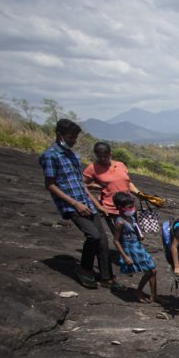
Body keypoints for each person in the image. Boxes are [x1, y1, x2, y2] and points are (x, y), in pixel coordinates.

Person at [40, 119, 113, 288]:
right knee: (93, 236)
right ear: (59, 135)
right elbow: (50, 185)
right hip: (70, 204)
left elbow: (79, 182)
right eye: (71, 137)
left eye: (75, 138)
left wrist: (95, 203)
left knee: (102, 240)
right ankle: (85, 269)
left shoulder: (72, 154)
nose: (74, 141)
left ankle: (106, 277)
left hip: (86, 201)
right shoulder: (50, 155)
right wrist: (75, 204)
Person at [111, 192, 157, 303]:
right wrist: (125, 256)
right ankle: (141, 292)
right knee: (151, 270)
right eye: (129, 207)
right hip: (130, 248)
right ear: (120, 208)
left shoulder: (130, 218)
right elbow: (116, 241)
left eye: (133, 206)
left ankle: (153, 295)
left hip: (137, 245)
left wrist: (139, 236)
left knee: (152, 270)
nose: (132, 209)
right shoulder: (119, 222)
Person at [82, 142, 144, 222]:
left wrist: (139, 194)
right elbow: (80, 185)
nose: (102, 159)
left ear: (110, 154)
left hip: (128, 205)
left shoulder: (120, 165)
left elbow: (127, 183)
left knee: (134, 232)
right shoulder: (92, 168)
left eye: (105, 156)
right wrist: (91, 186)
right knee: (118, 231)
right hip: (110, 208)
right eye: (99, 156)